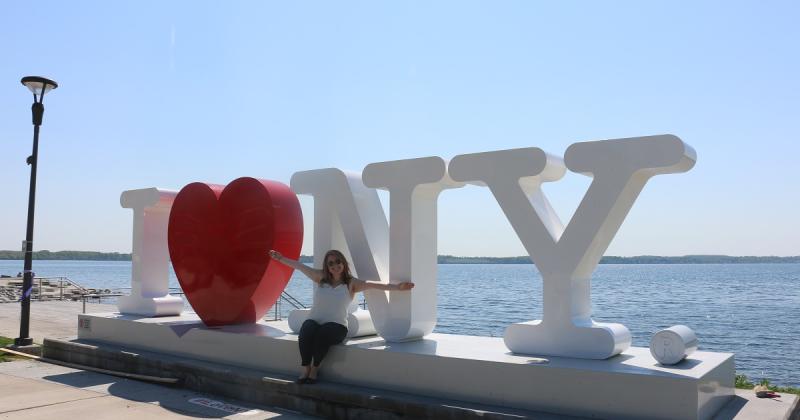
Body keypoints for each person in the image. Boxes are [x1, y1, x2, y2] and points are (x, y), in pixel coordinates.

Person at [269, 249, 414, 384]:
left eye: (338, 261)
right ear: (327, 266)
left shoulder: (351, 283)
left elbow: (374, 285)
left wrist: (397, 287)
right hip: (315, 321)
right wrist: (281, 258)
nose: (335, 266)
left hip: (337, 327)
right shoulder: (321, 278)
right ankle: (305, 367)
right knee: (306, 329)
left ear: (343, 263)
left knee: (322, 334)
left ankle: (315, 369)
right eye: (330, 263)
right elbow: (300, 267)